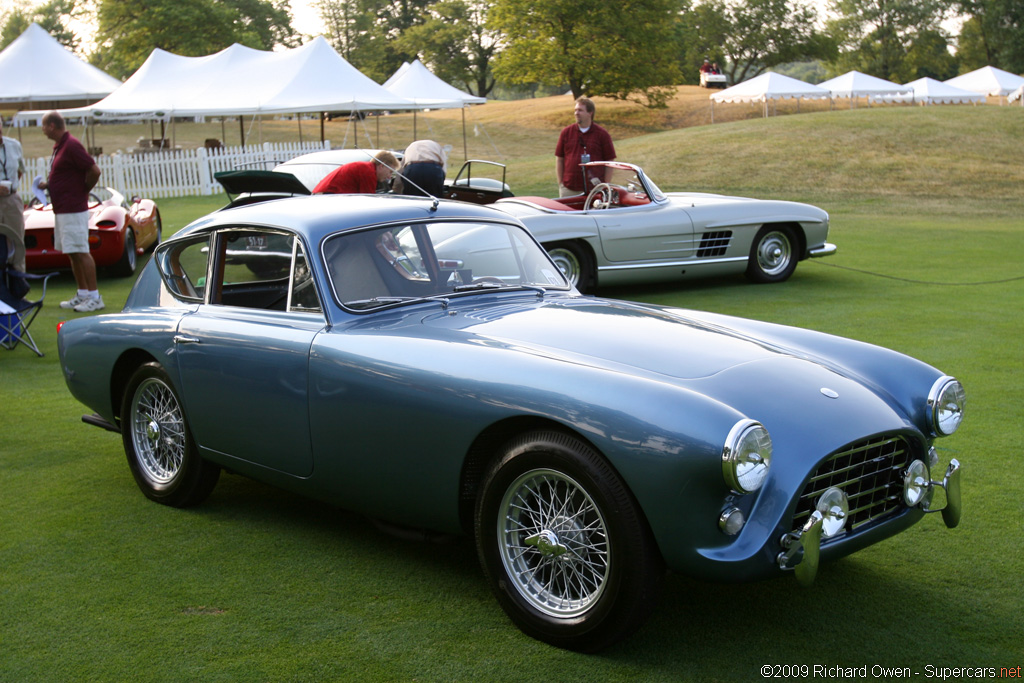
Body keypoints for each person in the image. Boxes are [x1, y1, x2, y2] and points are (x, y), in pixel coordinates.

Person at [38, 111, 104, 313]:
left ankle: (95, 296)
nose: (41, 130)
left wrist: (83, 190)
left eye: (43, 125)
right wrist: (49, 185)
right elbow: (65, 175)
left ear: (51, 126)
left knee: (81, 251)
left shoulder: (72, 145)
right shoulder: (61, 147)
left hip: (73, 208)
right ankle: (82, 293)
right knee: (72, 252)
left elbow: (94, 170)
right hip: (63, 208)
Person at [555, 97, 616, 198]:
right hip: (569, 189)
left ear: (590, 113)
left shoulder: (602, 134)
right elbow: (559, 159)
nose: (576, 113)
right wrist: (560, 183)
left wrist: (606, 184)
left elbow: (610, 160)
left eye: (580, 110)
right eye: (575, 110)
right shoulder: (566, 133)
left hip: (594, 189)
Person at [0, 117, 26, 273]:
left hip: (11, 200)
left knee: (17, 243)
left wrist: (12, 186)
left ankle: (19, 289)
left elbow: (20, 170)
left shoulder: (14, 145)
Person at [313, 150, 399, 195]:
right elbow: (368, 201)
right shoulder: (369, 172)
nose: (389, 176)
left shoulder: (366, 168)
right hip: (327, 195)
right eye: (390, 172)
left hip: (324, 194)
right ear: (382, 166)